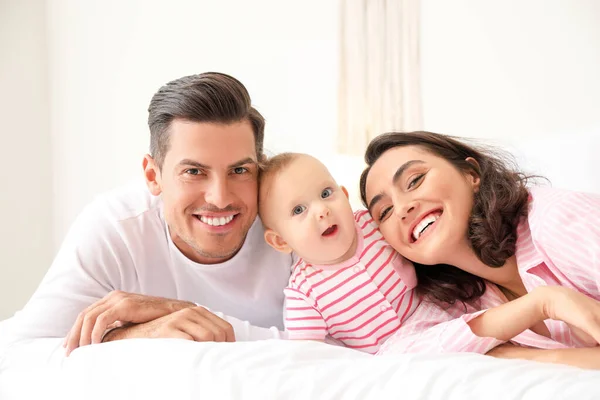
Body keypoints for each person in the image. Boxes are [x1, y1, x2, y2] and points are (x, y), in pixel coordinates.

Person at [0, 72, 293, 356]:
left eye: (239, 170)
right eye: (194, 172)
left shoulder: (300, 220)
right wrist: (136, 334)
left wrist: (182, 314)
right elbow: (15, 353)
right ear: (153, 176)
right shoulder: (117, 230)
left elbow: (336, 348)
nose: (220, 198)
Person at [360, 131, 600, 368]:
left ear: (471, 174)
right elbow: (394, 360)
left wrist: (531, 358)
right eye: (385, 212)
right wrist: (541, 303)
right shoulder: (455, 299)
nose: (402, 208)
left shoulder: (558, 220)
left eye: (414, 181)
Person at [258, 153, 418, 353]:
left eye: (325, 194)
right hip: (385, 359)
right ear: (280, 241)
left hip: (432, 317)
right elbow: (309, 355)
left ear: (345, 195)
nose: (322, 210)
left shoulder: (374, 224)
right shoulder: (304, 293)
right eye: (299, 210)